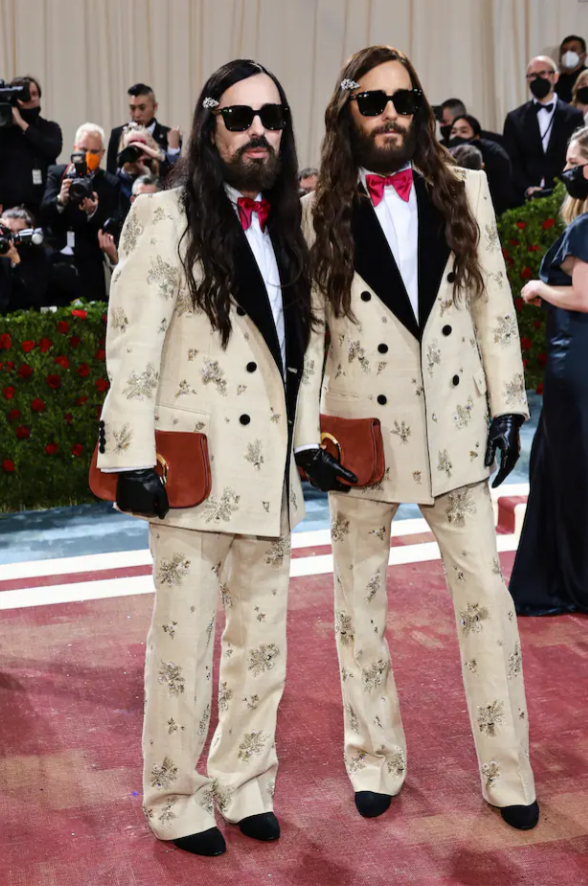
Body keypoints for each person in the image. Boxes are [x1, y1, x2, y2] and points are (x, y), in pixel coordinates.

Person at [95, 58, 345, 858]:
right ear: (210, 128)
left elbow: (304, 352)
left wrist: (306, 443)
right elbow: (130, 344)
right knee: (182, 646)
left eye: (271, 117)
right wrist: (129, 453)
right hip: (191, 476)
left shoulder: (290, 225)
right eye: (239, 117)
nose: (257, 131)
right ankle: (173, 797)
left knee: (261, 646)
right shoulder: (162, 216)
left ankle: (245, 780)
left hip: (268, 475)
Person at [296, 44, 539, 831]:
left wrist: (508, 404)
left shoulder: (465, 190)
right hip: (358, 439)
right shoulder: (316, 212)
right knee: (357, 606)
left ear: (421, 111)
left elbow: (492, 302)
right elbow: (307, 336)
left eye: (405, 100)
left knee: (487, 603)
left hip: (456, 431)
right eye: (373, 101)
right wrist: (303, 438)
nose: (391, 114)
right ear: (347, 113)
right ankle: (374, 758)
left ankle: (508, 772)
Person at [509, 126, 588, 616]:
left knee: (569, 466)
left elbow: (583, 297)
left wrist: (540, 289)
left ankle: (570, 579)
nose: (565, 171)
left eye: (573, 163)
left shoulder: (584, 227)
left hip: (574, 360)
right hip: (575, 360)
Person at [40, 123, 121, 302]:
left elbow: (110, 225)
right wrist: (60, 199)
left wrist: (93, 212)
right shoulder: (58, 173)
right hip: (56, 258)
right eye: (83, 150)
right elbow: (44, 214)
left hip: (89, 260)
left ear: (102, 153)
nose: (87, 155)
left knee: (93, 313)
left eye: (94, 151)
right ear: (75, 148)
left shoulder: (110, 183)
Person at [504, 56, 584, 205]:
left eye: (542, 73)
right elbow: (512, 161)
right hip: (526, 200)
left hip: (564, 196)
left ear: (555, 77)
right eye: (532, 75)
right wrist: (527, 188)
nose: (537, 79)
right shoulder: (514, 119)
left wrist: (561, 188)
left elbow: (578, 157)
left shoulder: (574, 116)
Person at [0, 75, 62, 216]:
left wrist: (22, 124)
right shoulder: (4, 131)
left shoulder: (49, 128)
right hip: (8, 207)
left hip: (40, 205)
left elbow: (52, 149)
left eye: (35, 94)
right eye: (27, 94)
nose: (32, 99)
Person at [106, 83, 181, 178]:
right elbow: (111, 175)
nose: (137, 114)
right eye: (132, 108)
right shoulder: (117, 134)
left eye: (142, 108)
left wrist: (173, 150)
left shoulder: (169, 135)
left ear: (155, 107)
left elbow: (176, 176)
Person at [448, 114, 514, 213]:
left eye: (464, 131)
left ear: (477, 137)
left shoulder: (493, 156)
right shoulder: (443, 158)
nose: (457, 135)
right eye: (453, 132)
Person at [98, 176, 162, 268]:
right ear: (132, 200)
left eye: (151, 198)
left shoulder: (168, 229)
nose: (145, 203)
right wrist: (114, 257)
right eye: (141, 198)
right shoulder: (122, 230)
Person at [0, 207, 52, 313]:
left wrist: (16, 261)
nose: (15, 237)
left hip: (27, 313)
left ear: (30, 230)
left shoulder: (41, 254)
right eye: (10, 232)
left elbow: (34, 293)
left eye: (20, 232)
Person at [114, 124, 162, 218]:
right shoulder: (116, 182)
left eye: (141, 146)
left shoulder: (163, 175)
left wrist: (148, 177)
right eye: (131, 146)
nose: (136, 151)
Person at [438, 97, 503, 147]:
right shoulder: (440, 147)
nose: (441, 126)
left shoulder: (493, 144)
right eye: (440, 122)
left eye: (444, 122)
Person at [555, 35, 587, 105]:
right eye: (564, 51)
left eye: (573, 50)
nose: (568, 54)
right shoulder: (557, 81)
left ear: (584, 56)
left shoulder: (586, 77)